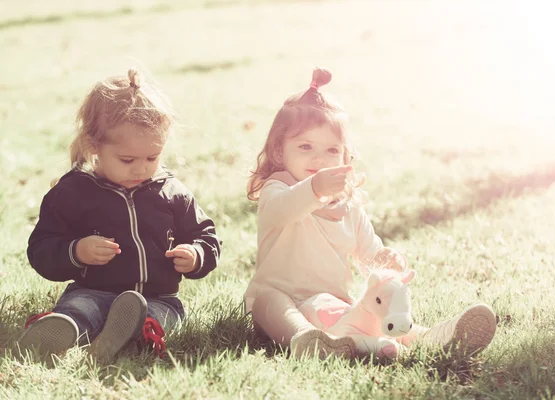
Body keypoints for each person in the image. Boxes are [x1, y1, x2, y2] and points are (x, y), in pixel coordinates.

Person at [244, 67, 496, 358]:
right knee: (269, 300)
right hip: (281, 305)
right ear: (278, 151)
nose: (318, 158)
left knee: (372, 309)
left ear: (345, 156)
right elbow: (283, 211)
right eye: (305, 146)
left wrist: (384, 260)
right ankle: (306, 341)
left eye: (331, 150)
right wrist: (315, 187)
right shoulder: (276, 190)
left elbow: (368, 252)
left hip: (330, 306)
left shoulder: (346, 206)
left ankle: (429, 338)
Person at [19, 68, 221, 362]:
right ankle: (64, 329)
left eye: (152, 158)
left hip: (158, 297)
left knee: (158, 318)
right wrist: (77, 251)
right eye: (127, 160)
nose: (141, 169)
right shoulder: (73, 192)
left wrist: (195, 255)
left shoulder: (171, 191)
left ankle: (130, 334)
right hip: (93, 290)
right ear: (93, 145)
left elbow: (206, 236)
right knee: (80, 309)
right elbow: (41, 248)